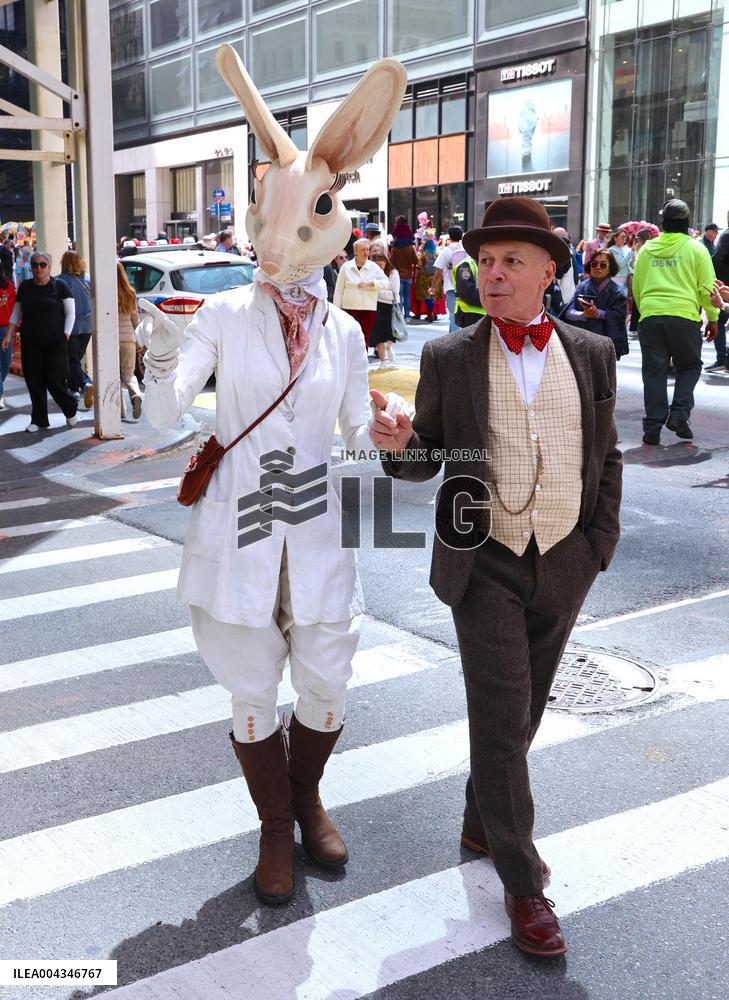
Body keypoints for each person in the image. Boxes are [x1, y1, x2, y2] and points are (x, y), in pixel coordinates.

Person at [142, 44, 406, 908]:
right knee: (251, 680)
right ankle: (272, 825)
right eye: (268, 223)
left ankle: (307, 795)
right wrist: (160, 355)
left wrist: (389, 440)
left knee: (328, 676)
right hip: (240, 523)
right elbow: (159, 417)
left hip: (320, 526)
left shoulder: (343, 333)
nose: (277, 246)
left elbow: (357, 436)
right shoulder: (220, 314)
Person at [370, 196, 622, 959]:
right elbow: (426, 463)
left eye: (512, 261)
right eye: (484, 261)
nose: (493, 274)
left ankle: (484, 816)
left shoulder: (591, 352)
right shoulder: (450, 357)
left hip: (564, 560)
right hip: (481, 560)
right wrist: (399, 442)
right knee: (500, 708)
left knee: (523, 713)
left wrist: (597, 543)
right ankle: (521, 881)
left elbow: (604, 456)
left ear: (550, 270)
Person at [632, 199, 719, 444]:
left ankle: (652, 428)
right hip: (684, 318)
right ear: (688, 225)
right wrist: (713, 319)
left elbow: (637, 289)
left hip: (651, 317)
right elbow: (707, 289)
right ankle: (679, 415)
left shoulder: (646, 250)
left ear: (663, 224)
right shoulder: (697, 249)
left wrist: (647, 312)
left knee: (654, 373)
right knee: (689, 367)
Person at [1, 250, 78, 432]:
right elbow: (16, 313)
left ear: (49, 267)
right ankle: (39, 419)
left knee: (55, 379)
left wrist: (66, 333)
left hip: (55, 342)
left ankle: (70, 407)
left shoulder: (60, 286)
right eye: (34, 265)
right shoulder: (26, 287)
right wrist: (8, 335)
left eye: (42, 265)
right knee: (34, 380)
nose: (38, 269)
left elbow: (71, 312)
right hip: (31, 341)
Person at [562, 250, 628, 358]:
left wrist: (598, 313)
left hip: (607, 345)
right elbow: (568, 313)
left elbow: (619, 316)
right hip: (583, 343)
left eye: (603, 265)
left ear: (610, 268)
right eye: (594, 264)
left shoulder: (617, 292)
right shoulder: (582, 287)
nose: (598, 267)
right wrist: (583, 315)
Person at [332, 238, 389, 346]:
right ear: (356, 252)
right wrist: (336, 311)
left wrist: (371, 283)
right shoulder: (346, 267)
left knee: (363, 340)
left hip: (367, 309)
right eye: (363, 250)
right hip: (348, 309)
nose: (366, 252)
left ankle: (362, 362)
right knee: (347, 340)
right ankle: (348, 362)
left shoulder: (374, 267)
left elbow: (386, 284)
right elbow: (339, 290)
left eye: (368, 249)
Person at [57, 250, 94, 409]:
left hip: (69, 327)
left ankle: (86, 384)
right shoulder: (88, 280)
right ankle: (74, 390)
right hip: (87, 326)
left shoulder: (59, 281)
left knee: (71, 361)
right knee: (76, 360)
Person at [116, 262, 143, 419]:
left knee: (113, 376)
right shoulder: (130, 292)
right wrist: (138, 340)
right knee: (129, 374)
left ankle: (120, 411)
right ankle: (135, 395)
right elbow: (135, 319)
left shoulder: (106, 292)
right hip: (129, 339)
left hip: (112, 339)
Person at [431, 226, 468, 332]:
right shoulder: (466, 249)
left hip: (451, 287)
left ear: (449, 236)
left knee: (453, 313)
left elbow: (438, 271)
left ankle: (454, 340)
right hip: (465, 286)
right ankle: (455, 338)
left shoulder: (446, 251)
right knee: (464, 313)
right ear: (461, 236)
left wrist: (433, 287)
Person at [369, 248, 399, 368]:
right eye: (376, 264)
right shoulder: (371, 274)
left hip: (389, 307)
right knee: (378, 335)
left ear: (386, 261)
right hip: (374, 306)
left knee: (390, 333)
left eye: (381, 263)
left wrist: (376, 290)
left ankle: (388, 347)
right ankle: (383, 360)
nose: (380, 266)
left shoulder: (393, 273)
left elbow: (394, 294)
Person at [709, 211, 729, 370]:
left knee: (719, 321)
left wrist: (711, 279)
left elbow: (717, 259)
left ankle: (722, 357)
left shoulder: (726, 236)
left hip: (724, 286)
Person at [389, 220, 417, 318]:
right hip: (408, 275)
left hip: (398, 275)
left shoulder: (394, 250)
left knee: (399, 296)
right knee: (407, 296)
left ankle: (400, 315)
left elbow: (391, 262)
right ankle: (407, 314)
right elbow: (416, 261)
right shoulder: (411, 248)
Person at [627, 228, 652, 334]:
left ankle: (637, 325)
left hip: (642, 282)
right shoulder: (650, 249)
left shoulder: (644, 250)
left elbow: (635, 267)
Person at [452, 254, 486, 328]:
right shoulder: (465, 266)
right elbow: (466, 293)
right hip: (470, 314)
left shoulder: (484, 262)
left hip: (483, 313)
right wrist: (489, 300)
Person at [0, 272, 16, 409]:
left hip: (5, 328)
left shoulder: (8, 285)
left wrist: (14, 329)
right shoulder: (9, 285)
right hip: (5, 328)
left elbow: (14, 308)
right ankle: (0, 394)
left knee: (6, 363)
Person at [414, 237, 438, 321]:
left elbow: (418, 267)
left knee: (427, 296)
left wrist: (416, 277)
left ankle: (430, 314)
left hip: (424, 278)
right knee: (432, 296)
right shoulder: (436, 254)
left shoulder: (422, 255)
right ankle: (434, 313)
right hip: (434, 277)